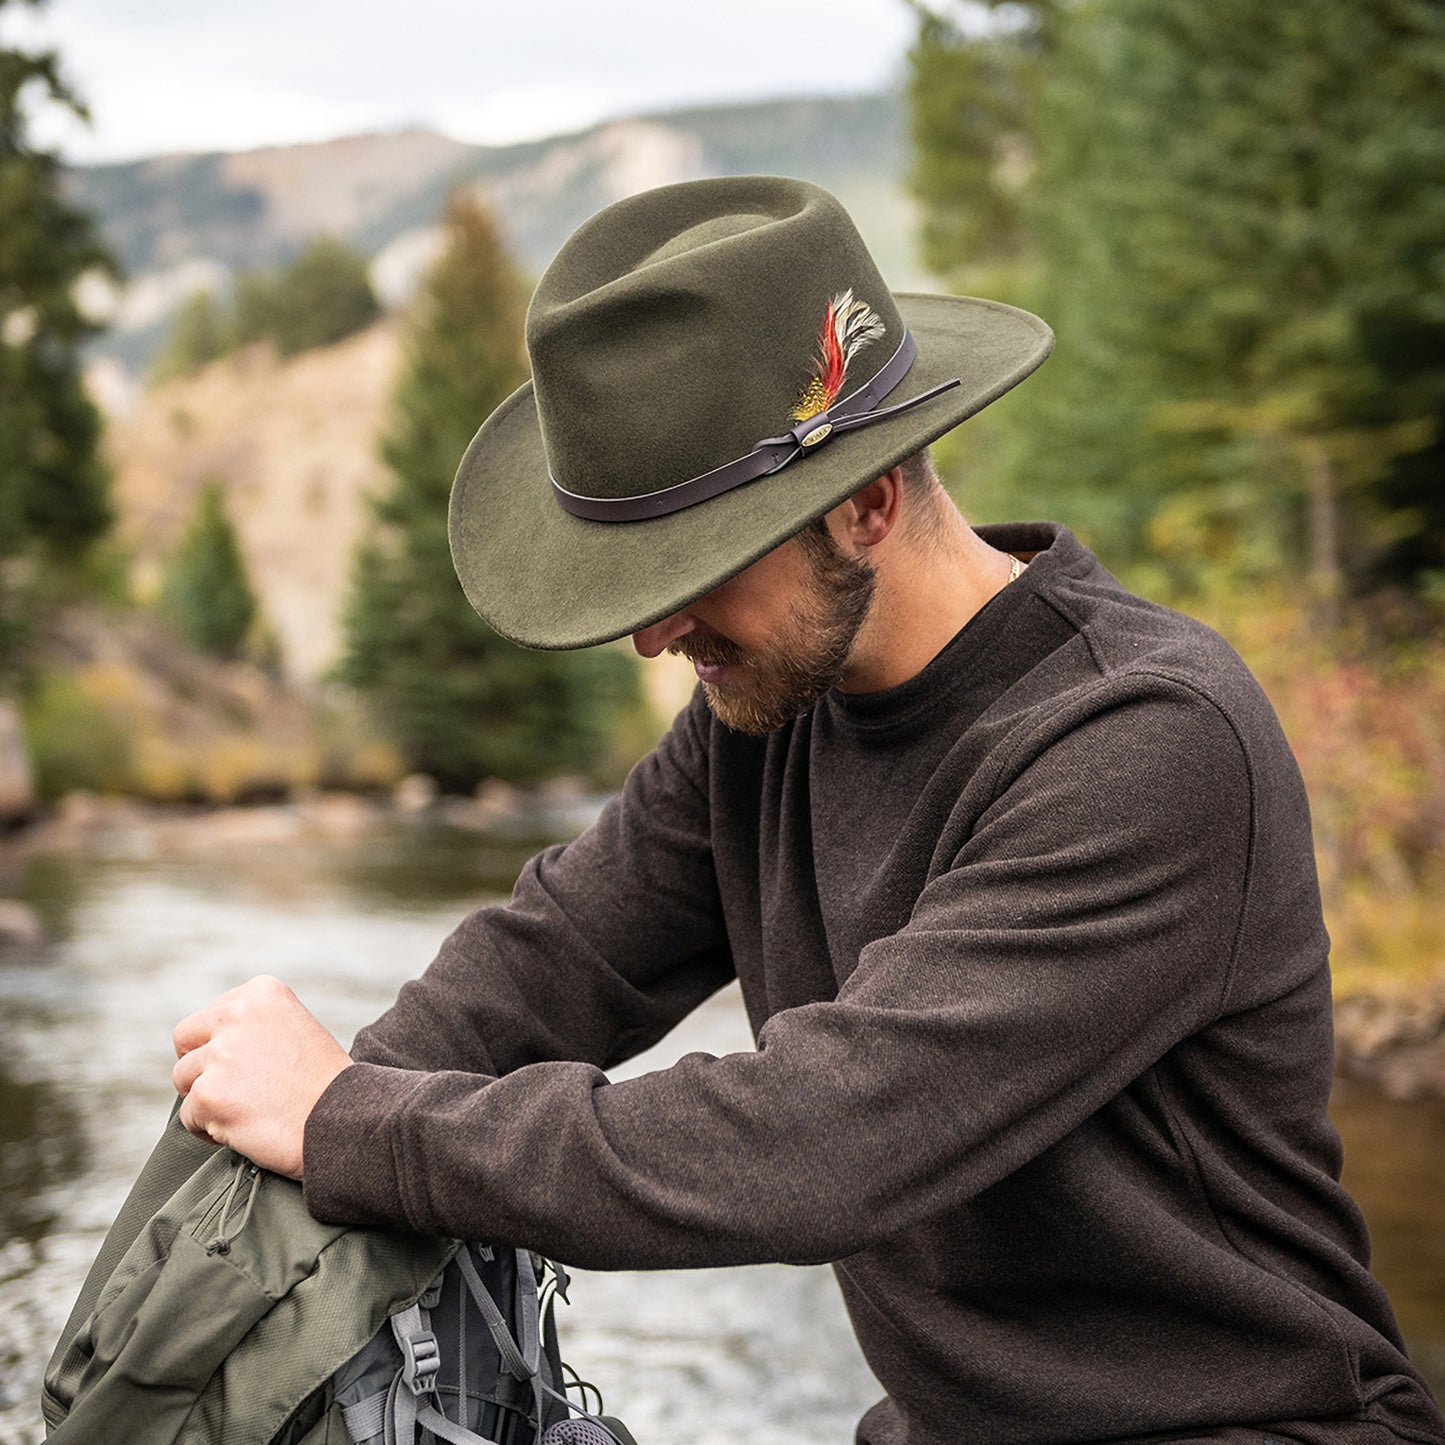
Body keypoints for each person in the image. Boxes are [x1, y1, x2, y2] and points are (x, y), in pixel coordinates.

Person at [171, 176, 1445, 1445]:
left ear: (866, 500)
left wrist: (357, 1124)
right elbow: (556, 954)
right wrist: (272, 1135)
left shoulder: (1145, 745)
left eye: (693, 572)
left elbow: (814, 1138)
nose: (652, 631)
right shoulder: (765, 712)